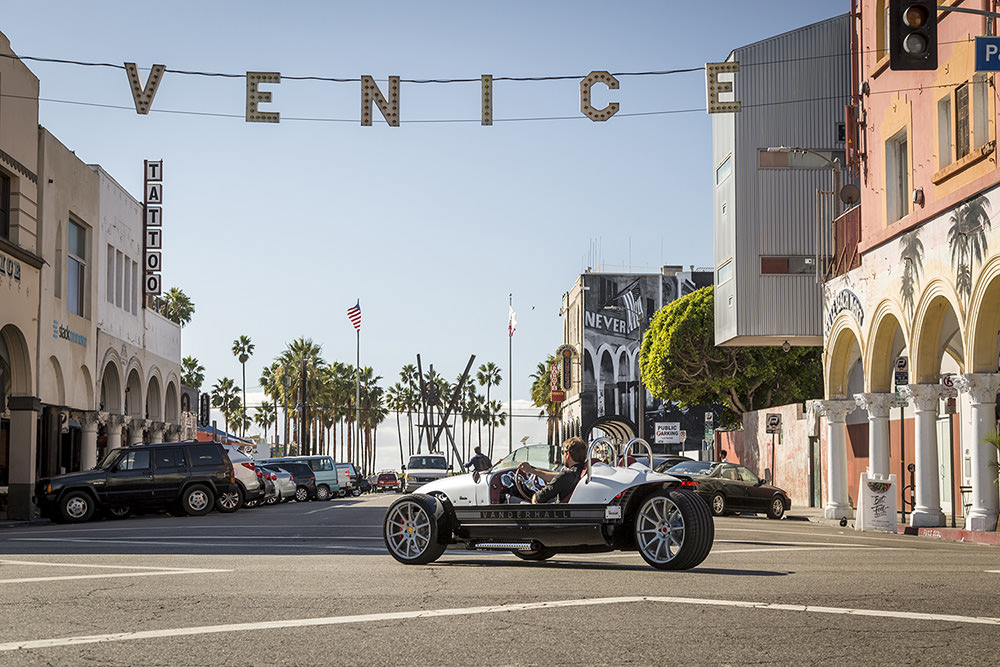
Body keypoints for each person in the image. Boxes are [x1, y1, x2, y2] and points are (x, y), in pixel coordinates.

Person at [514, 436, 588, 504]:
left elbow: (539, 498)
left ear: (568, 454)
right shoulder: (583, 472)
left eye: (563, 452)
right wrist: (533, 471)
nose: (563, 455)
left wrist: (534, 497)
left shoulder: (565, 476)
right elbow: (558, 478)